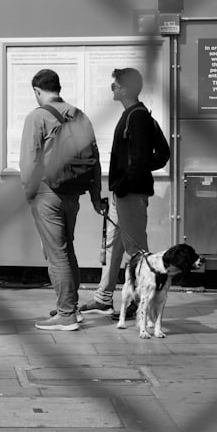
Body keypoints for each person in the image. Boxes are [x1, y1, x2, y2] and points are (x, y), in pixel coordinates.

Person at [20, 69, 102, 331]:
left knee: (56, 254)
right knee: (66, 249)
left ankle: (66, 314)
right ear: (58, 87)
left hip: (47, 192)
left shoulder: (37, 117)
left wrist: (28, 192)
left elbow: (29, 161)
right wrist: (96, 195)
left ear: (37, 90)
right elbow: (95, 159)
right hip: (73, 193)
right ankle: (72, 308)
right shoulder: (79, 115)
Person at [80, 68, 155, 318]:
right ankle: (103, 297)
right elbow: (160, 154)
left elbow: (146, 157)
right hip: (123, 192)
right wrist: (130, 177)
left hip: (129, 194)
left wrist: (127, 180)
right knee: (114, 245)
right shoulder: (135, 115)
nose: (112, 89)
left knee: (136, 248)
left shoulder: (138, 117)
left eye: (115, 85)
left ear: (126, 89)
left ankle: (140, 300)